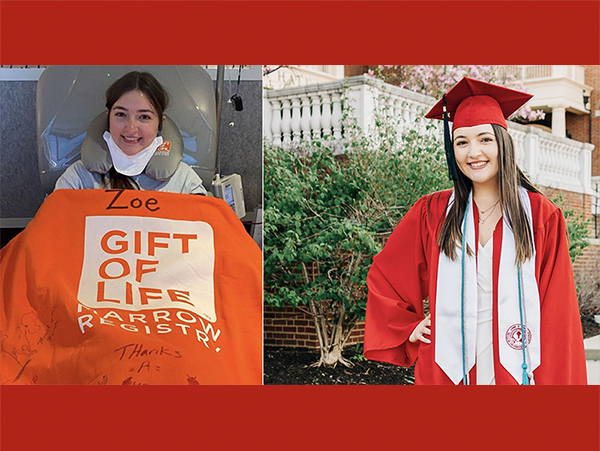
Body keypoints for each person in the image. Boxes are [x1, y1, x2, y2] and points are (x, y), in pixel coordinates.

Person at [363, 77, 587, 385]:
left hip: (517, 362)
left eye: (485, 139)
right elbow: (386, 275)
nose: (473, 153)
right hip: (448, 362)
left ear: (503, 143)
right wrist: (406, 325)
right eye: (462, 142)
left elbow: (557, 309)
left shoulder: (539, 215)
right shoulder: (433, 212)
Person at [54, 71, 207, 194]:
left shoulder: (185, 183)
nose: (131, 128)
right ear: (108, 119)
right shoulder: (77, 180)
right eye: (121, 115)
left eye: (144, 117)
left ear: (160, 124)